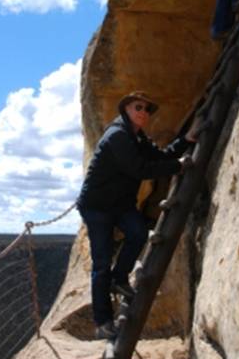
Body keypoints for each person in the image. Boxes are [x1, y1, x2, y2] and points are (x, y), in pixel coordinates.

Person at [77, 91, 196, 339]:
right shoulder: (118, 136)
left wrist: (185, 140)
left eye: (147, 109)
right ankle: (102, 322)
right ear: (126, 110)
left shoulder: (136, 137)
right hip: (97, 207)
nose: (143, 112)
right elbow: (139, 169)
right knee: (101, 264)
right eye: (138, 107)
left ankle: (119, 279)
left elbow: (162, 156)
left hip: (119, 205)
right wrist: (178, 166)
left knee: (138, 232)